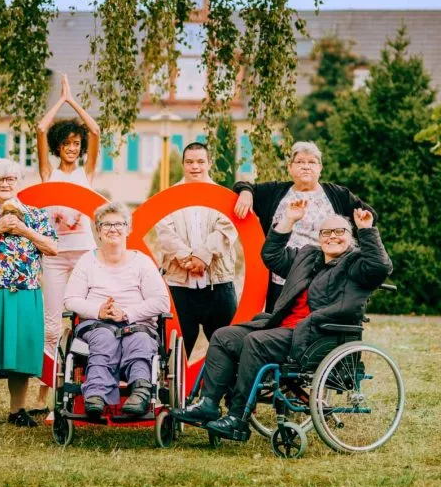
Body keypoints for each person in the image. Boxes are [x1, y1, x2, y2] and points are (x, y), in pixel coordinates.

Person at [172, 200, 392, 440]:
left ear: (350, 236)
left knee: (256, 342)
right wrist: (288, 221)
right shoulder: (308, 256)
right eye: (326, 232)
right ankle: (208, 404)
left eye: (340, 232)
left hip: (315, 334)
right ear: (319, 238)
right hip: (282, 329)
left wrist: (368, 230)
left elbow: (380, 267)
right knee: (224, 336)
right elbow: (272, 256)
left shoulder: (356, 264)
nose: (332, 237)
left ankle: (237, 418)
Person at [233, 140, 376, 311]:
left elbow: (370, 217)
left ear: (320, 168)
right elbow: (242, 185)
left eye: (311, 162)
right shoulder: (274, 192)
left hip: (324, 277)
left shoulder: (338, 194)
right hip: (282, 277)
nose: (306, 167)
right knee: (280, 327)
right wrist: (246, 193)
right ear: (290, 167)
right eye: (300, 162)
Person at [63, 202, 170, 416]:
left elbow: (161, 302)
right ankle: (95, 395)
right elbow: (70, 300)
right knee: (104, 338)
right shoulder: (87, 261)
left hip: (136, 324)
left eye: (119, 224)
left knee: (137, 339)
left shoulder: (142, 262)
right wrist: (98, 311)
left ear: (128, 229)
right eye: (106, 225)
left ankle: (140, 392)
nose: (113, 229)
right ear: (98, 231)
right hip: (96, 325)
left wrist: (127, 313)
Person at [34, 73, 100, 416]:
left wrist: (75, 101)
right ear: (60, 146)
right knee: (50, 326)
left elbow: (96, 131)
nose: (73, 148)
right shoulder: (50, 174)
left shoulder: (84, 175)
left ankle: (83, 391)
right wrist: (60, 101)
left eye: (77, 143)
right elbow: (41, 130)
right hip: (55, 255)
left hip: (85, 252)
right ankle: (45, 397)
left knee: (85, 324)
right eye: (68, 143)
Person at [0, 158, 58, 428]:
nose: (4, 184)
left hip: (25, 291)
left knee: (21, 350)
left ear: (18, 182)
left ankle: (17, 410)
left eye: (10, 179)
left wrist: (24, 230)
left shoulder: (35, 215)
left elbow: (52, 248)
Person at [155, 141, 238, 359]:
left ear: (209, 163)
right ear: (183, 164)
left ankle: (227, 392)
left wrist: (202, 256)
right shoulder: (169, 196)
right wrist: (185, 257)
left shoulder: (223, 195)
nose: (195, 167)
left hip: (218, 283)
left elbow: (227, 229)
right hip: (179, 285)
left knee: (228, 346)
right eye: (190, 162)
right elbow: (164, 231)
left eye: (200, 162)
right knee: (175, 350)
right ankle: (176, 392)